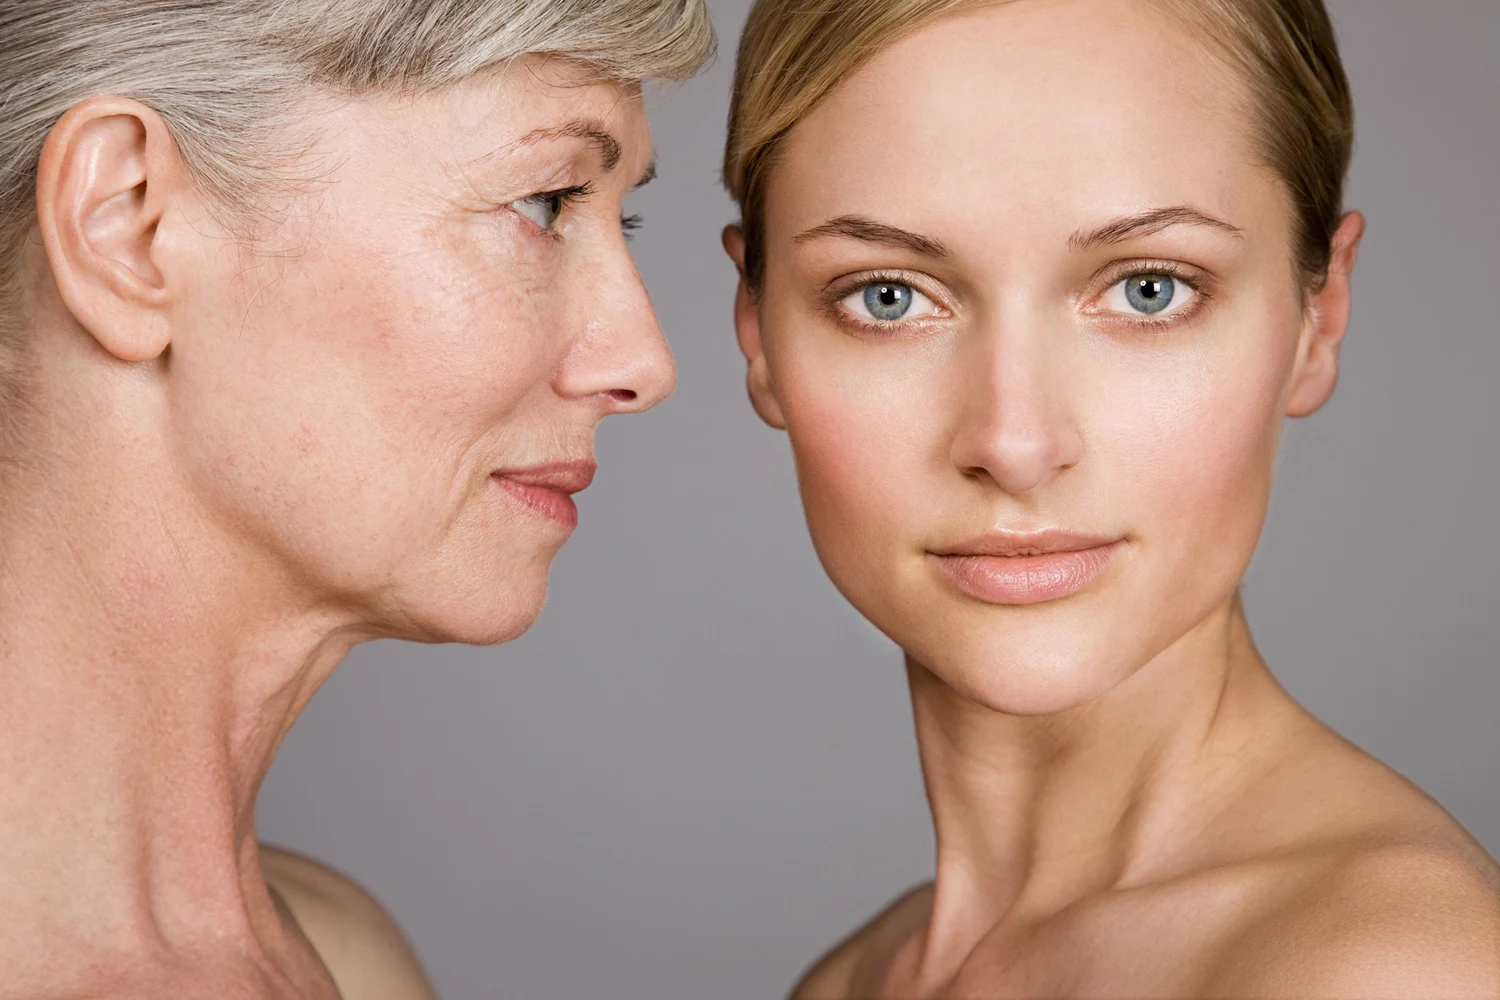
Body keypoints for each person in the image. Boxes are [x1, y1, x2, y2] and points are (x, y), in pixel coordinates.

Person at [719, 0, 1500, 996]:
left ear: (1320, 315)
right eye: (889, 296)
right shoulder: (853, 981)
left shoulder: (1393, 970)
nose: (1015, 444)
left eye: (1148, 289)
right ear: (759, 331)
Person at [0, 1, 711, 997]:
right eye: (546, 203)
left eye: (619, 218)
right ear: (129, 225)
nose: (643, 361)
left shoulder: (348, 962)